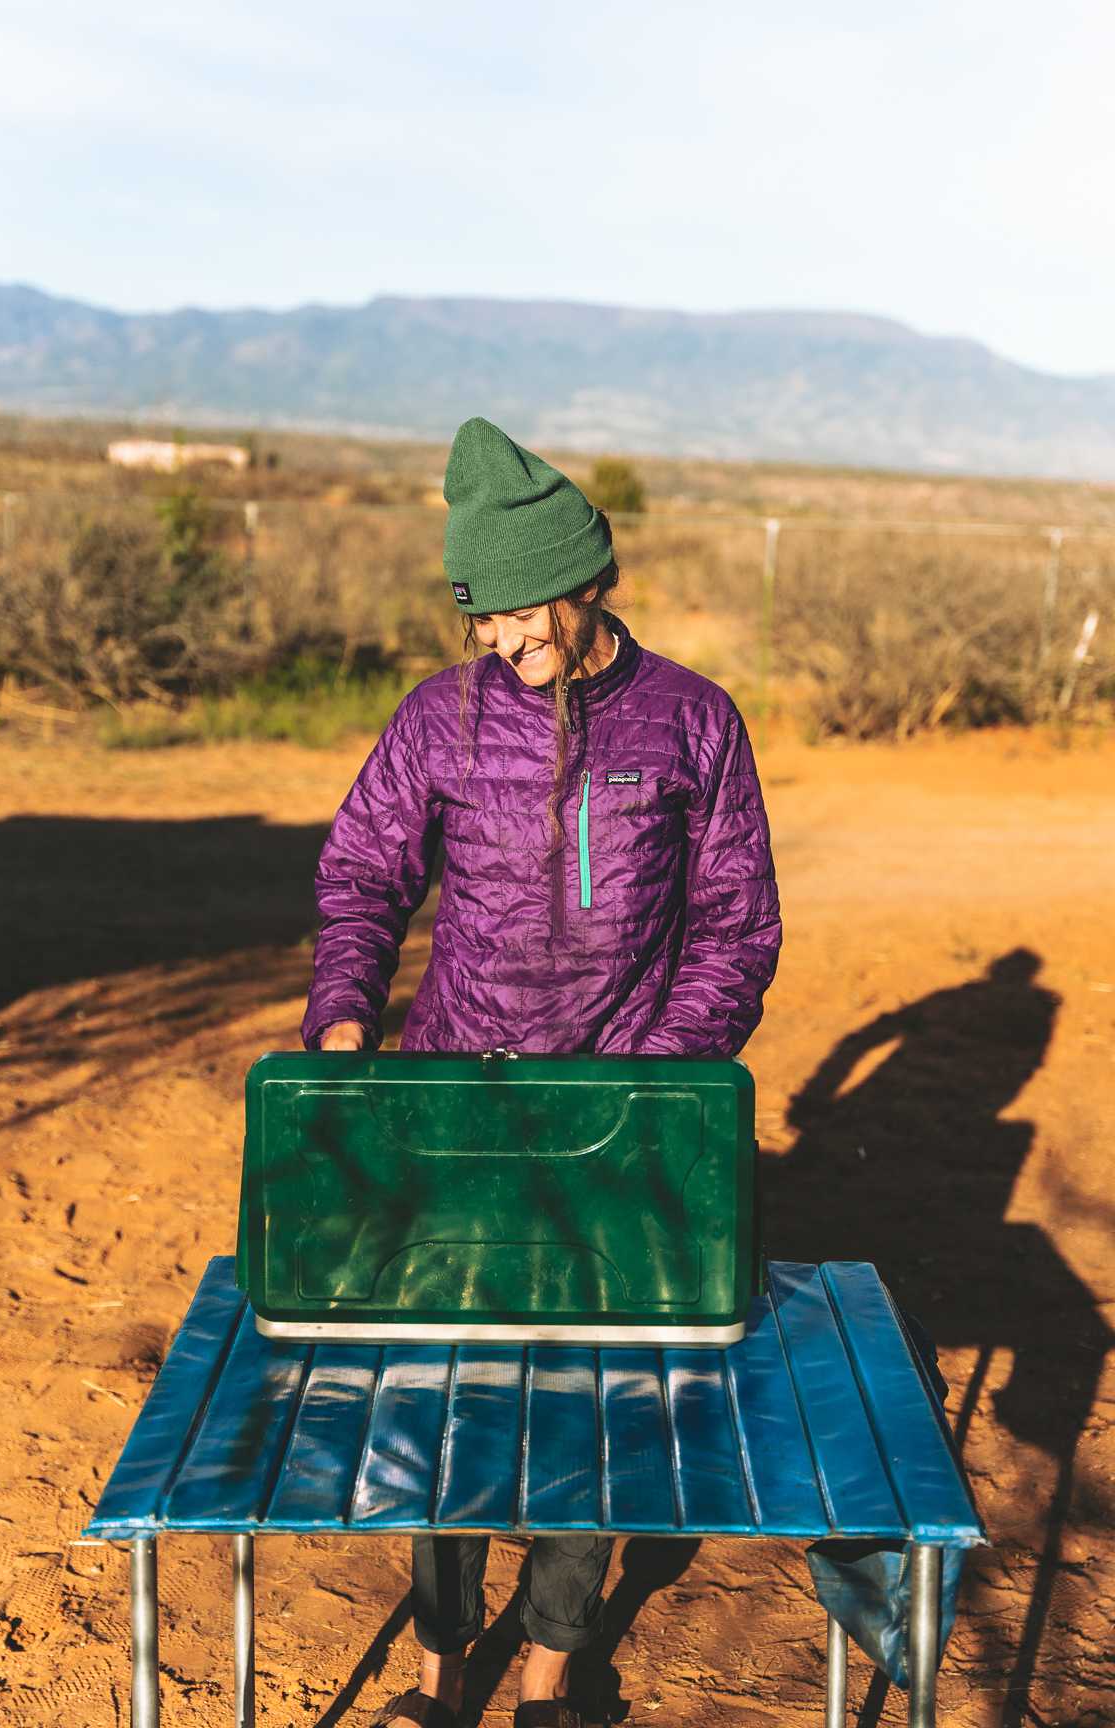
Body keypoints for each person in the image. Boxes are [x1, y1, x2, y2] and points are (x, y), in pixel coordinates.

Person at [302, 417, 782, 1728]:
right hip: (458, 1106)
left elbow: (735, 926)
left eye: (518, 613)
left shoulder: (694, 722)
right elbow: (362, 876)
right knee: (449, 1398)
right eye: (481, 620)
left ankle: (549, 1674)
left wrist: (660, 1078)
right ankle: (435, 1671)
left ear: (585, 582)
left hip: (618, 1118)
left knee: (591, 1400)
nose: (499, 643)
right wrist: (345, 1016)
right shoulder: (436, 720)